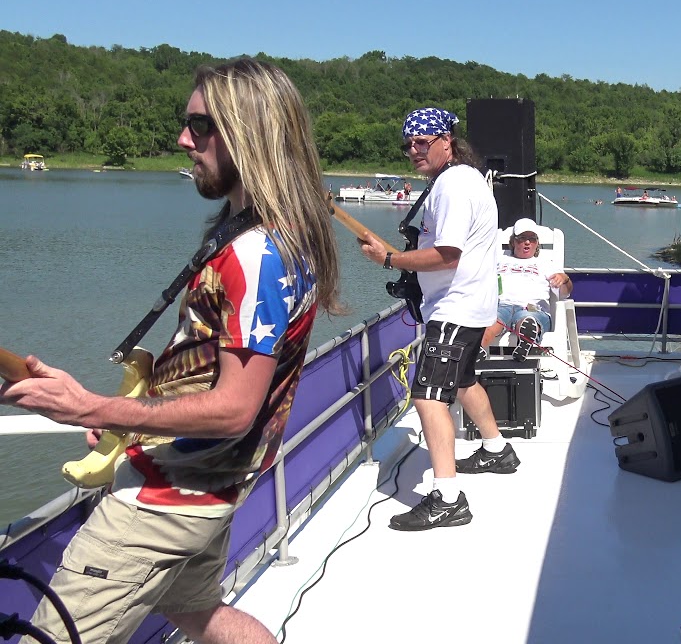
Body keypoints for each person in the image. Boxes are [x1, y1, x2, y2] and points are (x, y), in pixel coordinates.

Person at [1, 58, 343, 644]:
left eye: (201, 126)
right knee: (199, 614)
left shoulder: (254, 252)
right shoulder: (277, 232)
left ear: (250, 132)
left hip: (165, 500)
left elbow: (234, 407)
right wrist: (126, 421)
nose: (184, 139)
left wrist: (93, 409)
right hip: (212, 484)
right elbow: (209, 369)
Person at [356, 107, 517, 532]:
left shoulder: (453, 185)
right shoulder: (463, 179)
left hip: (454, 307)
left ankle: (447, 499)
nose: (413, 150)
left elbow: (447, 255)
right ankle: (497, 450)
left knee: (428, 396)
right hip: (469, 305)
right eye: (408, 143)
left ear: (447, 140)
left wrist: (388, 258)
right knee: (463, 381)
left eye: (422, 142)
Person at [481, 218, 573, 361]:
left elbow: (565, 293)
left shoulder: (546, 263)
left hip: (532, 308)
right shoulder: (498, 259)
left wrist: (565, 280)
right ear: (513, 242)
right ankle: (476, 352)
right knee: (493, 321)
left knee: (526, 319)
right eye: (522, 238)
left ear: (537, 243)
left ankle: (526, 339)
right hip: (501, 306)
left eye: (532, 239)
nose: (527, 242)